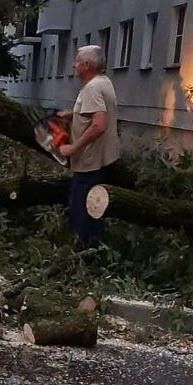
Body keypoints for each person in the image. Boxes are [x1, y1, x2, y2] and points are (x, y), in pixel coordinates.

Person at [57, 44, 120, 248]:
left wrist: (73, 148)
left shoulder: (92, 88)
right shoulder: (103, 82)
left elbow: (99, 125)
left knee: (81, 213)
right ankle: (92, 253)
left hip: (89, 164)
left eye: (76, 61)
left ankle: (80, 259)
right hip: (100, 161)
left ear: (86, 65)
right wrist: (73, 115)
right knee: (93, 212)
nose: (74, 66)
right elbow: (96, 114)